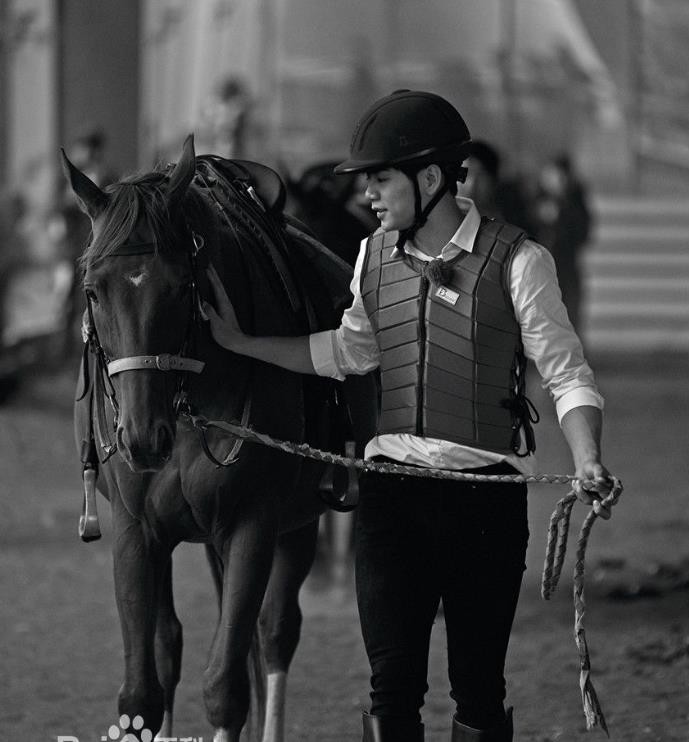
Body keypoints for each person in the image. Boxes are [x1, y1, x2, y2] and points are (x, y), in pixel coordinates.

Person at [204, 89, 614, 742]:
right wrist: (243, 345)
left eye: (379, 179)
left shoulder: (521, 262)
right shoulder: (371, 256)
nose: (367, 194)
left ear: (429, 179)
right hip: (390, 499)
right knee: (391, 690)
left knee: (478, 692)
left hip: (486, 499)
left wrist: (587, 458)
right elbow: (348, 350)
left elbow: (566, 376)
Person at [529, 153, 592, 333]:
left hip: (566, 269)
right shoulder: (533, 200)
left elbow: (583, 233)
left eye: (560, 177)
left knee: (570, 319)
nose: (556, 181)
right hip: (538, 270)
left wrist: (562, 214)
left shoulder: (575, 201)